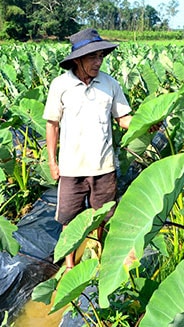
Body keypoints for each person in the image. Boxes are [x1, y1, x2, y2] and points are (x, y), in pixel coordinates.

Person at [43, 28, 133, 271]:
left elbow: (123, 119)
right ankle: (71, 265)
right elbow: (52, 125)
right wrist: (52, 162)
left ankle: (99, 256)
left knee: (103, 216)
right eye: (93, 57)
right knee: (69, 220)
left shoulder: (110, 84)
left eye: (101, 56)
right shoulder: (60, 85)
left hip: (103, 166)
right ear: (77, 59)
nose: (98, 61)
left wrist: (146, 125)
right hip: (72, 167)